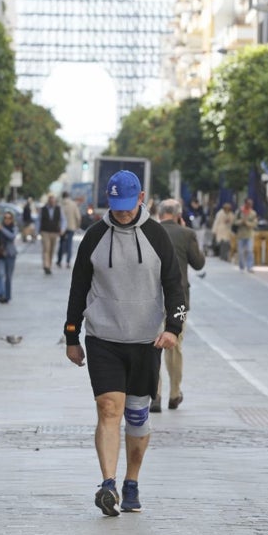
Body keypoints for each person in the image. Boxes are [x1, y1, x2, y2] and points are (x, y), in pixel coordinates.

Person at [63, 170, 185, 516]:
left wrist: (173, 327)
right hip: (103, 338)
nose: (123, 212)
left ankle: (132, 480)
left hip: (146, 340)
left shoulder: (157, 236)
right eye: (116, 206)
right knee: (108, 410)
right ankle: (108, 483)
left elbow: (174, 286)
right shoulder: (94, 237)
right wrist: (72, 336)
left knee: (136, 416)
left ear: (142, 198)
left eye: (128, 206)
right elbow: (78, 289)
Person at [152, 198, 205, 413]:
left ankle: (154, 395)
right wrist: (188, 234)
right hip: (179, 299)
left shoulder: (150, 231)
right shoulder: (187, 234)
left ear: (160, 213)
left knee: (152, 345)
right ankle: (175, 393)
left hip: (151, 298)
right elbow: (199, 263)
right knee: (174, 344)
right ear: (178, 215)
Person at [0, 211, 19, 303]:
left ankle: (7, 296)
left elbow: (12, 236)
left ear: (12, 219)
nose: (7, 220)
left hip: (10, 255)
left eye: (9, 218)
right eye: (5, 218)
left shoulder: (14, 228)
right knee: (1, 274)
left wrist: (2, 228)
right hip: (0, 255)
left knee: (8, 277)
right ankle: (1, 294)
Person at [233, 198, 259, 272]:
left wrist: (247, 223)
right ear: (245, 204)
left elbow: (255, 223)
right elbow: (234, 222)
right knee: (240, 252)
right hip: (240, 235)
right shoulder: (239, 212)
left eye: (251, 204)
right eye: (249, 204)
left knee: (250, 251)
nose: (250, 205)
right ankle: (241, 266)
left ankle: (250, 266)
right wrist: (241, 221)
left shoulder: (253, 213)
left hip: (249, 235)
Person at [57, 192, 82, 269]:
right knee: (69, 244)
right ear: (68, 196)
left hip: (62, 228)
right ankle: (68, 262)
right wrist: (77, 226)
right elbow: (78, 217)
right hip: (71, 227)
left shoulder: (59, 205)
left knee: (61, 244)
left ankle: (59, 261)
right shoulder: (73, 204)